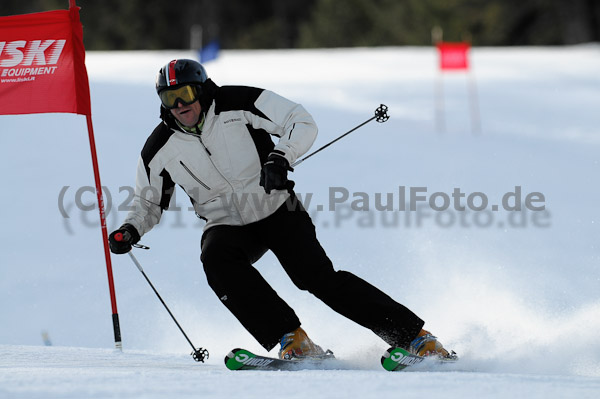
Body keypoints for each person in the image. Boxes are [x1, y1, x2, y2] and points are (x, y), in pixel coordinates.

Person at [108, 59, 454, 361]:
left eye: (185, 94)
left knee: (316, 278)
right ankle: (293, 339)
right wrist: (131, 229)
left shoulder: (238, 102)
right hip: (226, 222)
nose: (179, 105)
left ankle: (415, 338)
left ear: (201, 90)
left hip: (276, 206)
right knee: (216, 258)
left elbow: (300, 120)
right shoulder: (159, 149)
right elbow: (147, 202)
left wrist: (281, 156)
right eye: (170, 99)